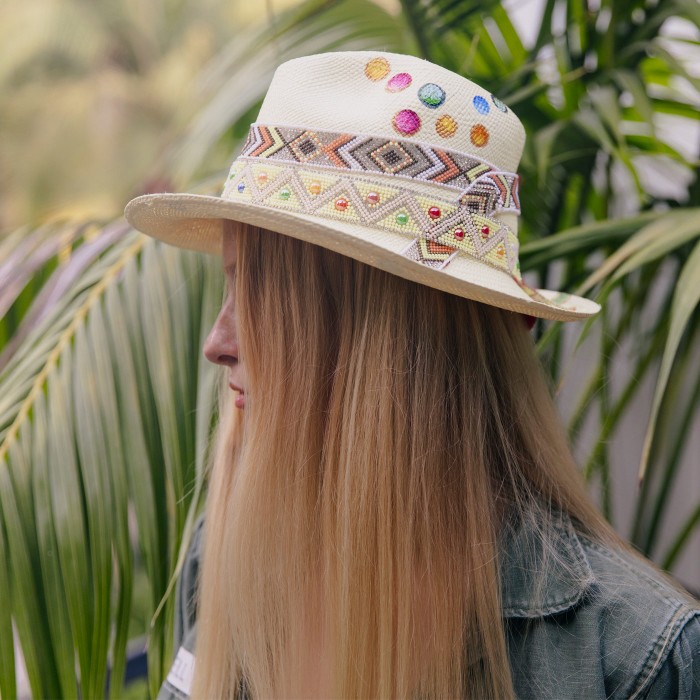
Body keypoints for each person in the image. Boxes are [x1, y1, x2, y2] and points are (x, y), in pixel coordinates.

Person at [125, 51, 700, 699]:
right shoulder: (228, 556)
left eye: (259, 301)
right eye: (227, 289)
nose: (217, 342)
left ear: (383, 347)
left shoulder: (631, 658)